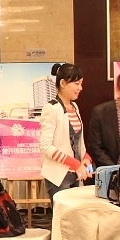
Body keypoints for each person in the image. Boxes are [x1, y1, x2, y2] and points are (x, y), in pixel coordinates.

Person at [40, 62, 92, 202]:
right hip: (59, 175)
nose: (80, 88)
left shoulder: (74, 106)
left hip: (76, 174)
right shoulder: (51, 108)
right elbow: (45, 146)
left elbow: (77, 140)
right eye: (76, 84)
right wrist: (74, 163)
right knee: (63, 213)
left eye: (81, 83)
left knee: (77, 212)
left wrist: (86, 158)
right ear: (63, 83)